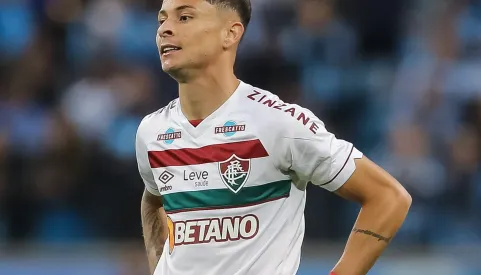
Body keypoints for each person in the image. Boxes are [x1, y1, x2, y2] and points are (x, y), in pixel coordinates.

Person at [135, 0, 412, 274]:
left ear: (230, 33)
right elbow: (153, 199)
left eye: (184, 18)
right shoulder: (152, 132)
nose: (165, 30)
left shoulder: (277, 123)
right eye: (162, 19)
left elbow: (388, 197)